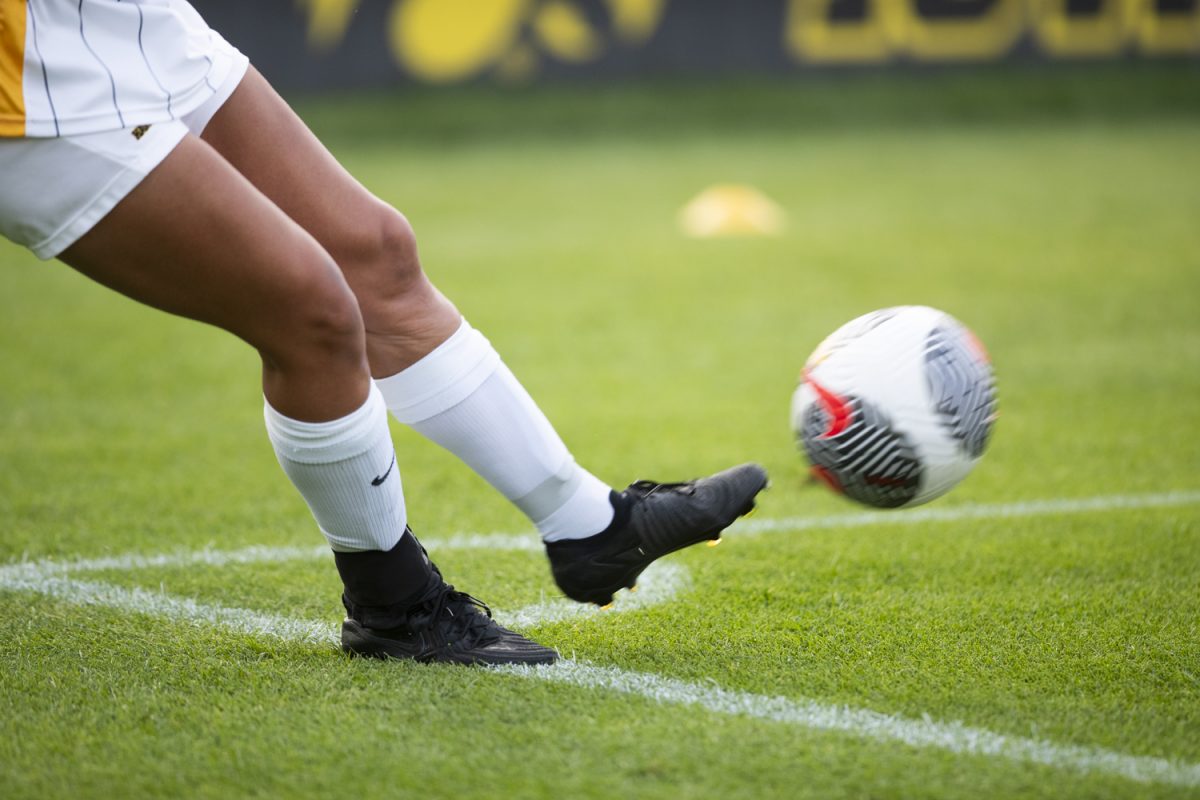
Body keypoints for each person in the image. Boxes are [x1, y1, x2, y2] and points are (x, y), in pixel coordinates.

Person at [0, 0, 768, 666]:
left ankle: (591, 528)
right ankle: (392, 605)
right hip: (23, 80)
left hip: (117, 23)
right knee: (313, 312)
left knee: (377, 255)